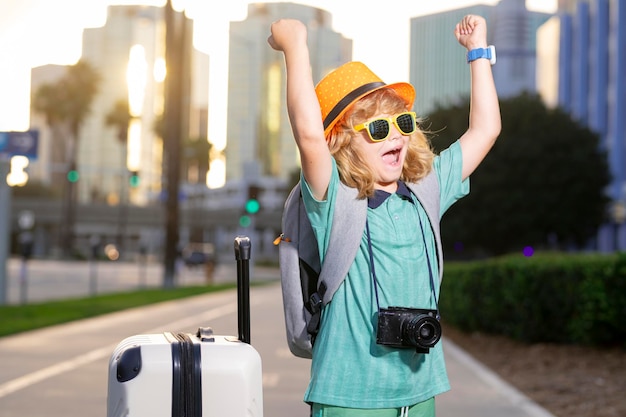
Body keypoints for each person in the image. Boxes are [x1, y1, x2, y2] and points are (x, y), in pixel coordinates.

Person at [268, 14, 500, 417]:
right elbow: (308, 134)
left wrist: (478, 52)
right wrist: (295, 46)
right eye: (376, 128)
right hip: (349, 397)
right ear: (341, 143)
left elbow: (485, 130)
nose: (395, 134)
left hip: (418, 393)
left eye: (402, 123)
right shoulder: (335, 201)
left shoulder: (426, 190)